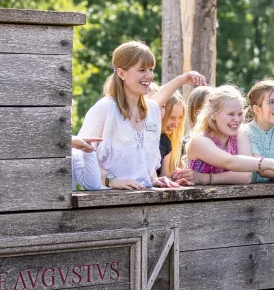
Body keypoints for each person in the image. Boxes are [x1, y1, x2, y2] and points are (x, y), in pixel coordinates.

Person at [75, 41, 204, 190]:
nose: (149, 76)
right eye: (142, 70)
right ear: (121, 73)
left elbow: (146, 167)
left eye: (151, 69)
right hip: (108, 203)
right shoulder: (105, 109)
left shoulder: (153, 110)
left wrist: (156, 179)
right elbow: (79, 158)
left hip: (146, 202)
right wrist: (112, 180)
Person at [181, 85, 274, 185]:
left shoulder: (240, 132)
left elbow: (245, 177)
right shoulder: (199, 141)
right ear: (213, 115)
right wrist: (269, 163)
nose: (237, 119)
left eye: (240, 114)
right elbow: (230, 162)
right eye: (231, 114)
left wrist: (205, 178)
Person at [157, 92, 186, 177]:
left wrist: (176, 176)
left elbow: (163, 176)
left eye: (180, 117)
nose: (176, 124)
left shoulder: (166, 142)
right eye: (172, 118)